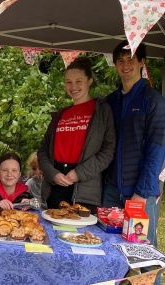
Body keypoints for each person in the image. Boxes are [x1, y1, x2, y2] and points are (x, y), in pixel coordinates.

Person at [103, 40, 165, 247]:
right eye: (120, 61)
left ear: (142, 62)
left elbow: (157, 149)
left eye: (130, 60)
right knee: (108, 244)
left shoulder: (153, 100)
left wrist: (142, 192)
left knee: (142, 251)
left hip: (140, 192)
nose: (125, 65)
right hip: (111, 190)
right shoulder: (110, 102)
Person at [37, 57, 116, 213]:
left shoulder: (101, 111)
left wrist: (79, 173)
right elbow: (43, 151)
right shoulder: (61, 114)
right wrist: (53, 174)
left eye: (79, 81)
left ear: (89, 81)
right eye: (68, 82)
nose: (73, 87)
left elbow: (107, 152)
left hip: (84, 187)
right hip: (56, 185)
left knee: (81, 236)